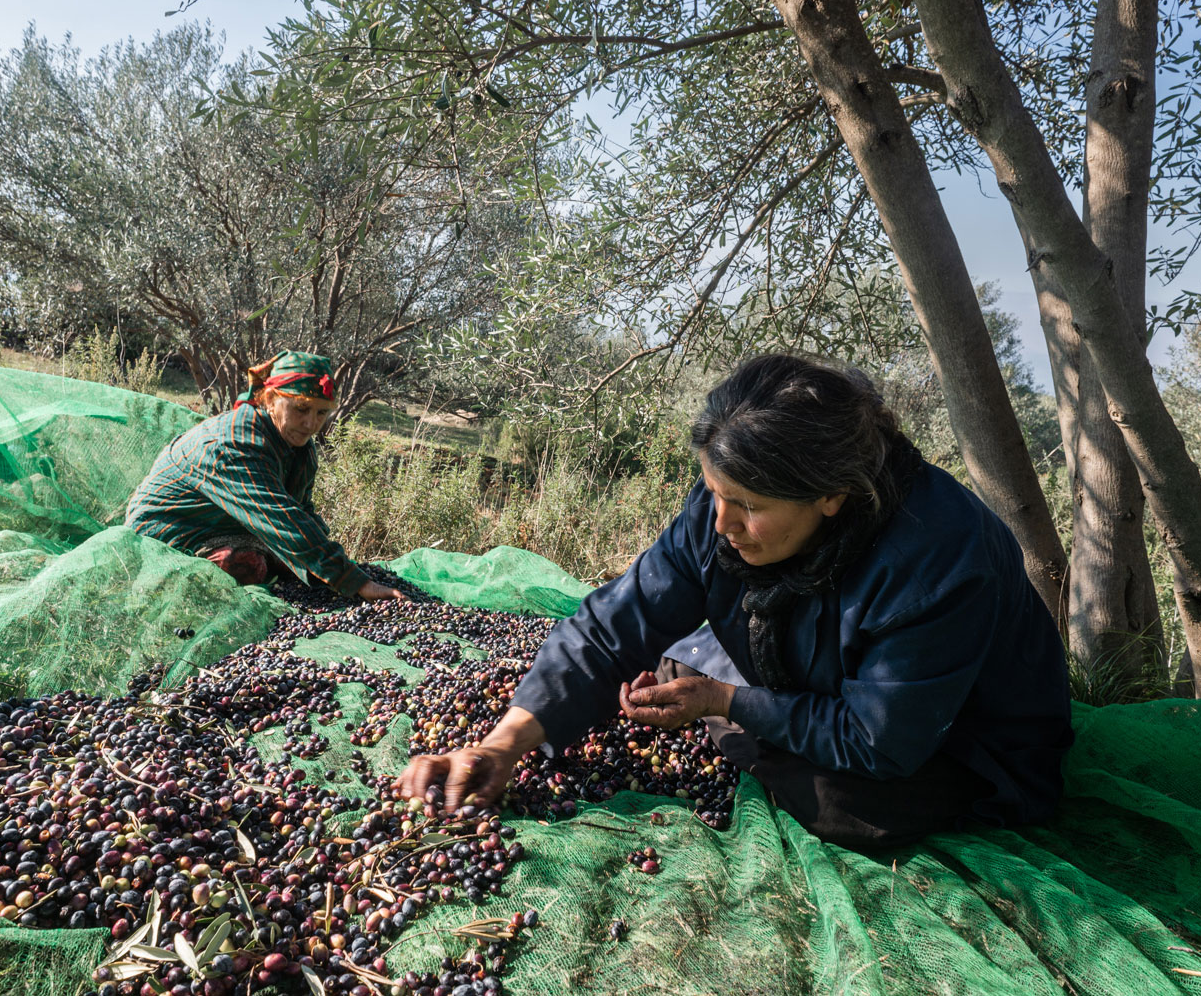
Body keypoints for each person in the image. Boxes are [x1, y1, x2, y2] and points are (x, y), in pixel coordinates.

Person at [395, 354, 1073, 849]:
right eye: (713, 493)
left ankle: (733, 704)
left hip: (957, 740)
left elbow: (879, 739)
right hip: (814, 679)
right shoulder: (725, 508)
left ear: (831, 497)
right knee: (660, 656)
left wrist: (724, 703)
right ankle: (733, 698)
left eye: (747, 506)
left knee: (852, 806)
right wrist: (504, 745)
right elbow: (614, 625)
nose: (719, 523)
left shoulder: (941, 558)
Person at [126, 350, 404, 601]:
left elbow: (302, 510)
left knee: (303, 562)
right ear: (271, 400)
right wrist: (354, 581)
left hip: (225, 525)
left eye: (321, 413)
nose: (311, 424)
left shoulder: (299, 446)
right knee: (246, 564)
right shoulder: (236, 443)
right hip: (167, 533)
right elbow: (282, 517)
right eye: (301, 409)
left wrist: (332, 564)